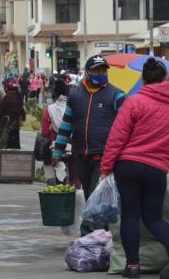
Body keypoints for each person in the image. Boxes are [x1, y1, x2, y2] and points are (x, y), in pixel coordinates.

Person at [100, 57, 169, 279]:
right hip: (157, 168)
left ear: (143, 78)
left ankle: (133, 266)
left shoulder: (134, 102)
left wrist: (106, 167)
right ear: (165, 78)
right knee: (154, 217)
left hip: (128, 166)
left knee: (131, 215)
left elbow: (116, 138)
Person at [52, 55, 126, 236]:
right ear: (88, 72)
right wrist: (58, 151)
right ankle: (100, 236)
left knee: (95, 196)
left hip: (104, 157)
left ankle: (89, 237)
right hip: (80, 157)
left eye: (103, 70)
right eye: (97, 70)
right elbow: (66, 124)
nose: (101, 73)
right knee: (89, 197)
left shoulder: (117, 95)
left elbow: (127, 125)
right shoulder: (75, 95)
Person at [41, 76, 81, 188]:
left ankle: (61, 199)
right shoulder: (78, 108)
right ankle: (78, 199)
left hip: (56, 147)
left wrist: (51, 128)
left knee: (59, 176)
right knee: (75, 176)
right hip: (74, 145)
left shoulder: (49, 110)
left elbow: (44, 133)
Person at [0, 79, 25, 149]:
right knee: (15, 145)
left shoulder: (8, 97)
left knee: (7, 145)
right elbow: (22, 110)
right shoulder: (18, 95)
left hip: (8, 125)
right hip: (15, 124)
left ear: (6, 87)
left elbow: (0, 110)